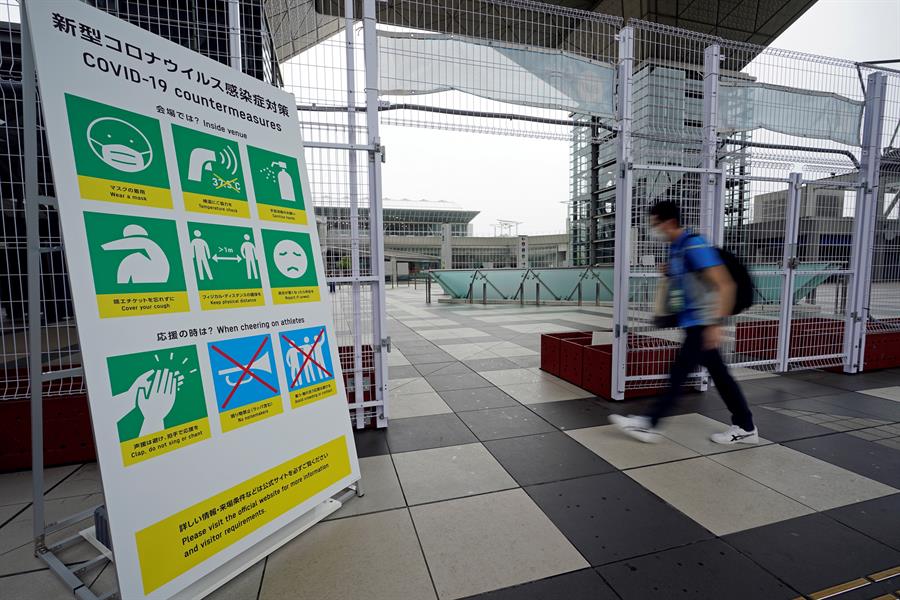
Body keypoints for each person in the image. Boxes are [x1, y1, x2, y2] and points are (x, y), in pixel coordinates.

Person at [610, 200, 758, 445]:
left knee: (678, 373)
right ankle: (746, 426)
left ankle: (650, 423)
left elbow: (724, 284)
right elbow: (693, 283)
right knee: (720, 376)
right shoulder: (677, 249)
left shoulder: (694, 245)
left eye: (655, 224)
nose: (653, 230)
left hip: (703, 323)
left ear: (668, 223)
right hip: (694, 322)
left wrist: (715, 324)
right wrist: (671, 273)